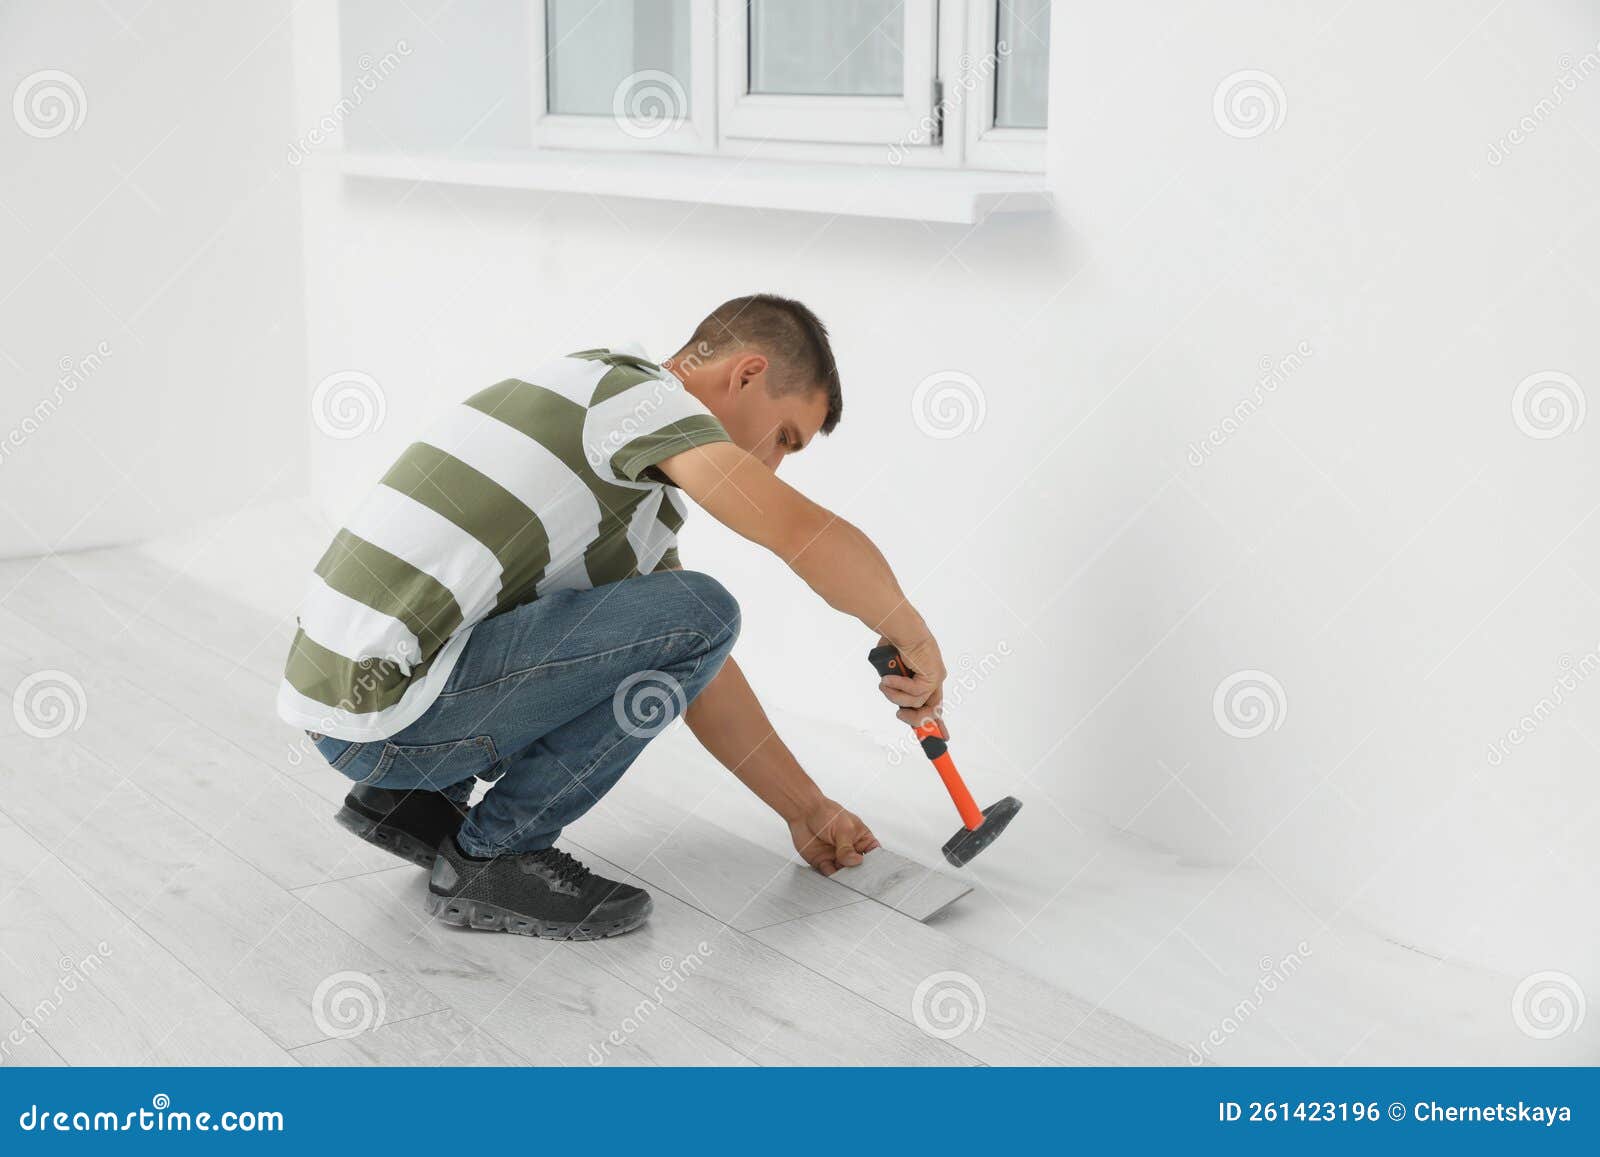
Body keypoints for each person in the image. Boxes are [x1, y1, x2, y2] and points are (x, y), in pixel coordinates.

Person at [278, 294, 948, 939]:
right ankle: (491, 858)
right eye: (784, 438)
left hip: (355, 709)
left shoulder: (605, 437)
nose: (772, 464)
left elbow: (699, 671)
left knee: (687, 621)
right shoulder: (636, 397)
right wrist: (909, 631)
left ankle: (414, 801)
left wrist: (807, 810)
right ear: (746, 374)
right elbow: (789, 526)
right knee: (702, 608)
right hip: (389, 713)